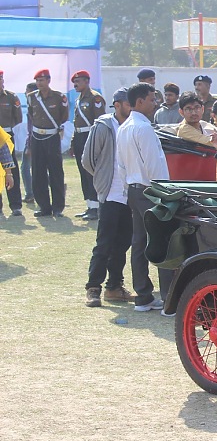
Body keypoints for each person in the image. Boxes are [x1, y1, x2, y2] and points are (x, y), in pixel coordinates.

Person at [116, 82, 171, 313]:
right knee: (163, 244)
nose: (155, 103)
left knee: (139, 243)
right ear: (140, 101)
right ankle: (170, 300)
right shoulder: (143, 128)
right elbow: (154, 166)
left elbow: (120, 166)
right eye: (151, 99)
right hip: (151, 191)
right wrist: (165, 193)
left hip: (134, 190)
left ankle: (144, 296)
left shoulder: (123, 127)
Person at [81, 87, 135, 308]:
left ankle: (114, 287)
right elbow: (88, 160)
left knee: (123, 243)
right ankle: (93, 288)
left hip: (129, 195)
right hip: (110, 194)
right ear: (118, 104)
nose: (130, 106)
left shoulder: (134, 126)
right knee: (104, 243)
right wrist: (103, 179)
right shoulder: (104, 126)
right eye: (127, 103)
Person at [27, 69, 69, 218]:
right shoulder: (31, 97)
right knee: (38, 172)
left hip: (52, 137)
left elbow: (64, 116)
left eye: (42, 80)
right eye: (37, 81)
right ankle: (44, 207)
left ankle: (58, 207)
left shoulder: (59, 97)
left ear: (49, 81)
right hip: (37, 137)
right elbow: (31, 115)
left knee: (55, 171)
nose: (39, 83)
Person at [70, 70, 106, 220]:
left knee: (91, 171)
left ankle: (97, 206)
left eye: (78, 81)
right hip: (79, 136)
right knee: (82, 171)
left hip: (89, 135)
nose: (75, 85)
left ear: (86, 81)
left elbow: (98, 121)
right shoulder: (79, 99)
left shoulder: (95, 98)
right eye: (74, 82)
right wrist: (73, 141)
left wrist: (95, 141)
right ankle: (90, 205)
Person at [0, 70, 23, 216]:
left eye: (1, 79)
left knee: (11, 168)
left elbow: (18, 118)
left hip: (6, 135)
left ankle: (15, 205)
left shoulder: (11, 97)